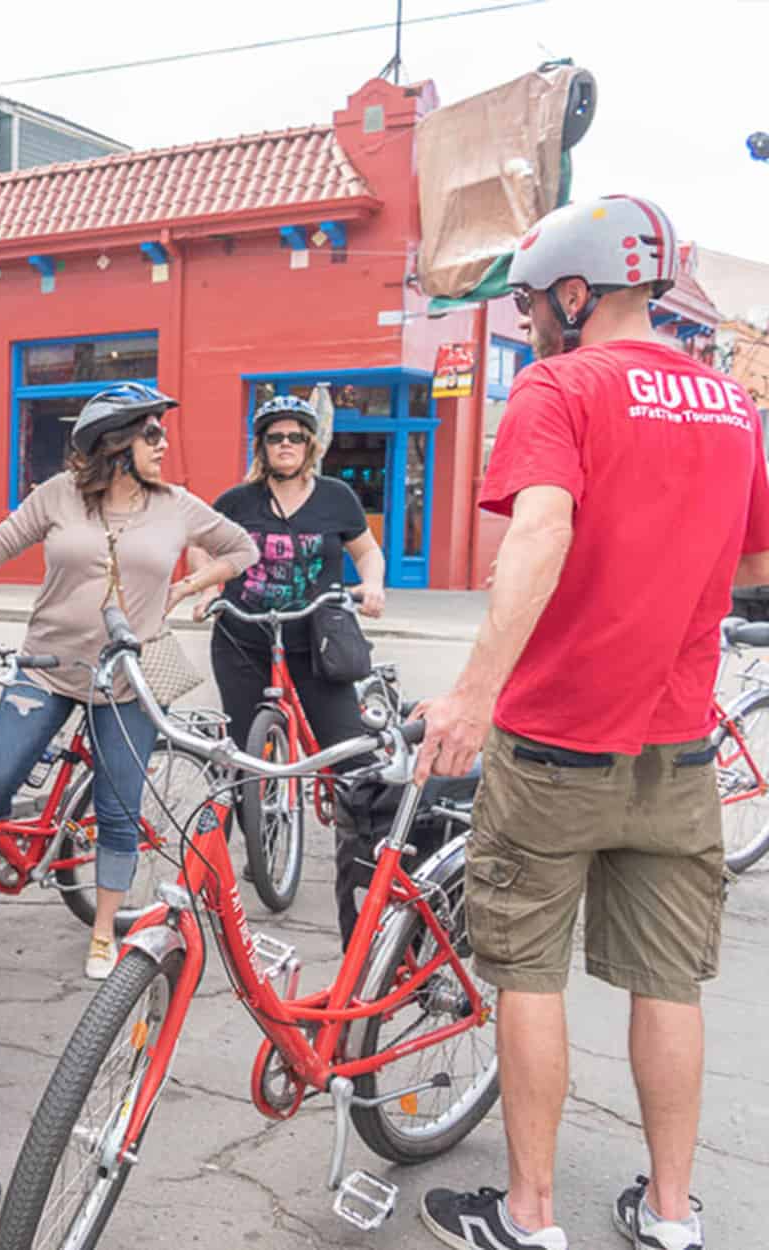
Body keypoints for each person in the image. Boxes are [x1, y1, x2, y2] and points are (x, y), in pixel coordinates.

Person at [415, 196, 769, 1250]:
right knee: (668, 985)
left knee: (526, 975)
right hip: (675, 750)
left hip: (554, 743)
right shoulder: (730, 404)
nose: (525, 320)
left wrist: (473, 689)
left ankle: (527, 1215)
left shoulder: (558, 384)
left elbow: (541, 526)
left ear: (575, 291)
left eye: (527, 301)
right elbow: (751, 563)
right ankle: (668, 1214)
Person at [0, 382, 257, 978]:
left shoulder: (177, 505)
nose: (163, 443)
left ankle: (104, 930)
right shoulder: (58, 496)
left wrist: (188, 586)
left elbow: (242, 547)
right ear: (114, 444)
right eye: (150, 432)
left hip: (127, 681)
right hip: (48, 667)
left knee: (118, 806)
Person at [199, 394, 387, 943]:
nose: (285, 446)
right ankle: (229, 860)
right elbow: (205, 549)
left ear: (310, 445)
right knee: (240, 753)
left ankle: (374, 876)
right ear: (262, 446)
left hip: (315, 639)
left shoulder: (336, 497)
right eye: (275, 437)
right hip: (242, 636)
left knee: (353, 756)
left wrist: (372, 583)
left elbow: (366, 552)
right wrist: (208, 585)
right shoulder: (236, 501)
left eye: (295, 437)